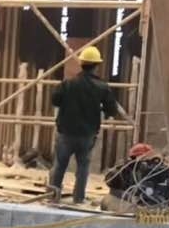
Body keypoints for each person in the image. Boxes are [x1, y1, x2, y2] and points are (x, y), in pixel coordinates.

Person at [48, 45, 120, 204]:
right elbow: (112, 109)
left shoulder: (68, 83)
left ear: (81, 64)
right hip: (87, 134)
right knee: (82, 168)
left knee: (59, 165)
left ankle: (53, 196)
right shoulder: (102, 87)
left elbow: (55, 100)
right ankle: (78, 198)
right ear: (96, 65)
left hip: (66, 132)